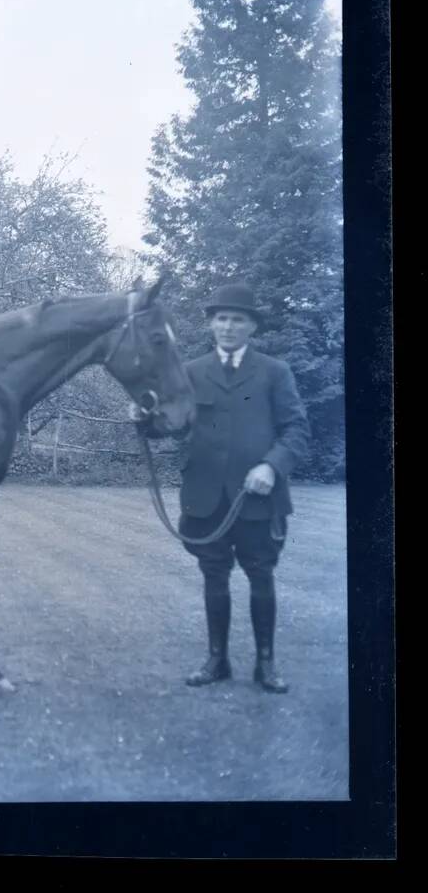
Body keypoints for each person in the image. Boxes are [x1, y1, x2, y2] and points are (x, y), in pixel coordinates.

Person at [135, 283, 310, 693]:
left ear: (251, 326)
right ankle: (217, 661)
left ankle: (266, 665)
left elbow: (297, 429)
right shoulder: (191, 372)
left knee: (260, 575)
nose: (228, 326)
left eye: (238, 319)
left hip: (259, 498)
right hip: (205, 497)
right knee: (213, 576)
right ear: (211, 324)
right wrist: (144, 420)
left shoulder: (275, 372)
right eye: (221, 319)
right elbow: (173, 426)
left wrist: (271, 465)